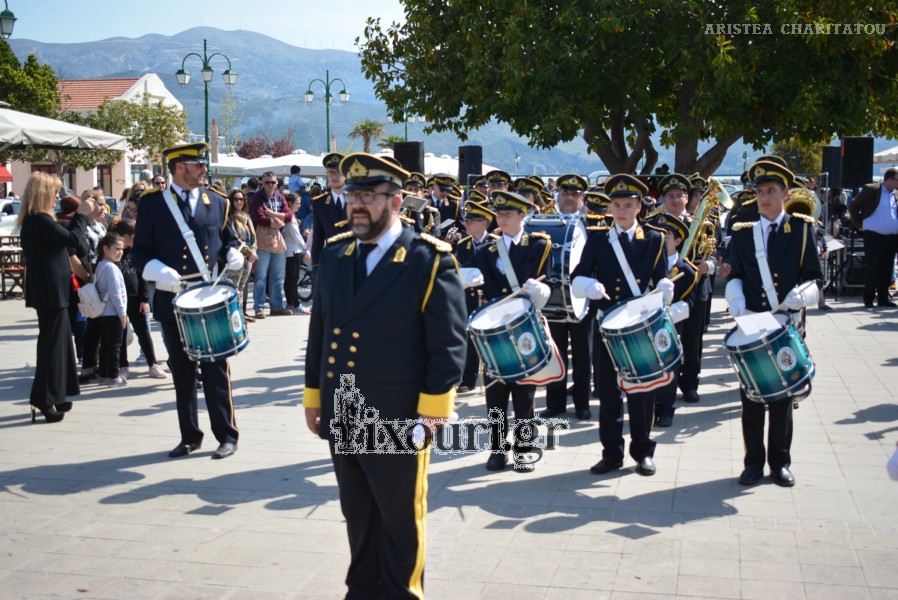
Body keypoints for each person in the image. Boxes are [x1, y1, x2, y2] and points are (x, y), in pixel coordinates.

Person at [303, 153, 466, 598]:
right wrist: (314, 397)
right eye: (353, 194)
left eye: (368, 196)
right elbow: (320, 330)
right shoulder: (336, 254)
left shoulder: (426, 259)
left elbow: (448, 347)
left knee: (398, 517)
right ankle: (362, 588)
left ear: (396, 201)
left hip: (398, 417)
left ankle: (401, 591)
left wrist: (431, 415)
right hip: (344, 410)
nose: (357, 204)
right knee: (357, 511)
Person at [132, 142, 244, 460]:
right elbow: (140, 252)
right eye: (198, 164)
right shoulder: (154, 205)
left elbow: (227, 241)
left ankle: (226, 434)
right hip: (172, 299)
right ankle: (190, 436)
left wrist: (233, 253)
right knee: (181, 370)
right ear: (179, 167)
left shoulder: (217, 202)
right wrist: (157, 270)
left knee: (215, 369)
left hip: (207, 298)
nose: (204, 169)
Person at [725, 160, 822, 487]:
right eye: (759, 192)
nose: (764, 198)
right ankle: (753, 463)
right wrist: (735, 298)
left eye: (771, 191)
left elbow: (814, 280)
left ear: (785, 194)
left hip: (785, 324)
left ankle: (779, 462)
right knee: (751, 397)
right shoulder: (742, 234)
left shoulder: (803, 229)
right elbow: (736, 275)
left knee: (782, 399)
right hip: (753, 324)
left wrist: (802, 295)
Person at [570, 174, 674, 477]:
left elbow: (660, 276)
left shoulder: (654, 238)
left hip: (640, 327)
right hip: (607, 327)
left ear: (639, 207)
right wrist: (588, 286)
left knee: (642, 392)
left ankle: (643, 452)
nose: (621, 211)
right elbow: (577, 276)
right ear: (609, 208)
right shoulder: (598, 237)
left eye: (628, 205)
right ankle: (611, 453)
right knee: (608, 392)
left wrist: (666, 286)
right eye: (616, 205)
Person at [470, 190, 553, 472]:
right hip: (495, 330)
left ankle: (524, 448)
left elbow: (549, 282)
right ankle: (496, 450)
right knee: (495, 393)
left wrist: (541, 290)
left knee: (525, 393)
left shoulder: (539, 245)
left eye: (508, 214)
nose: (501, 218)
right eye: (499, 214)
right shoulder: (485, 251)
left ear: (523, 215)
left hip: (524, 328)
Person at [18, 172, 96, 423]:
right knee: (52, 347)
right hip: (49, 292)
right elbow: (72, 238)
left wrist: (83, 219)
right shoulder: (38, 220)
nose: (56, 198)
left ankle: (58, 393)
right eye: (53, 193)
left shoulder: (40, 220)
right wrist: (82, 214)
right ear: (42, 194)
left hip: (55, 290)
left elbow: (74, 244)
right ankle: (42, 398)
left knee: (61, 345)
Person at [540, 173, 593, 421]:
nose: (570, 197)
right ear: (557, 196)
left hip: (583, 299)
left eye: (575, 194)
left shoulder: (593, 225)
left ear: (582, 199)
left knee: (583, 355)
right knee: (555, 353)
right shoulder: (544, 223)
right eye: (565, 193)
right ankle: (555, 404)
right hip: (553, 297)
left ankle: (582, 403)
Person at [112, 219, 167, 380]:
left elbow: (143, 277)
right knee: (121, 333)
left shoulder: (136, 252)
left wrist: (144, 299)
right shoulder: (114, 253)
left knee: (143, 331)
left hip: (136, 298)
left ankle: (153, 364)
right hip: (119, 299)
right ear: (127, 236)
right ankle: (123, 366)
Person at [453, 201, 497, 392]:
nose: (467, 223)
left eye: (472, 220)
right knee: (469, 337)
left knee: (492, 339)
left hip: (490, 297)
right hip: (469, 297)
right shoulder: (463, 245)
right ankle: (468, 379)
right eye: (466, 220)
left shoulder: (495, 242)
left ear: (484, 223)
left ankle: (495, 376)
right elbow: (459, 269)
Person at [848, 167, 898, 309]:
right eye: (896, 180)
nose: (897, 184)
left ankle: (883, 298)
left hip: (892, 237)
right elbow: (854, 206)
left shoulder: (895, 194)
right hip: (874, 236)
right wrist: (859, 224)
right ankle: (869, 298)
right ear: (889, 179)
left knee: (887, 269)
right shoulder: (872, 189)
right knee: (873, 267)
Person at [250, 170, 293, 318]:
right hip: (262, 241)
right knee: (260, 276)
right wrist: (279, 220)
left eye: (273, 182)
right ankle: (259, 307)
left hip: (278, 241)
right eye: (267, 182)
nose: (270, 185)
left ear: (277, 183)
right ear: (262, 183)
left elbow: (289, 216)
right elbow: (260, 218)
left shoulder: (280, 198)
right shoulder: (257, 198)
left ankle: (277, 306)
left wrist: (273, 215)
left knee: (277, 276)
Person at [94, 232, 129, 387]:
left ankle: (103, 375)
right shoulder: (111, 268)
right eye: (117, 249)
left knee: (106, 345)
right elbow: (116, 293)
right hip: (113, 312)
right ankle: (114, 376)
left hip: (104, 312)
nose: (120, 252)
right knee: (115, 345)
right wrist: (122, 314)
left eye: (122, 249)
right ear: (105, 249)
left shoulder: (101, 265)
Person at [311, 153, 350, 270]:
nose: (335, 176)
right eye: (331, 173)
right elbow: (318, 238)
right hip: (331, 263)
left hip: (353, 262)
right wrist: (316, 267)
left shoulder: (357, 200)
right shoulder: (320, 203)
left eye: (338, 172)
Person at [225, 189, 258, 322]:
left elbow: (254, 236)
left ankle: (241, 313)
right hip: (237, 256)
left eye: (242, 199)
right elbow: (234, 237)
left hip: (249, 257)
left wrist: (253, 250)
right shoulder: (230, 216)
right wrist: (249, 252)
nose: (239, 201)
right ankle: (233, 315)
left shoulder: (246, 216)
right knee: (233, 287)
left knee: (242, 287)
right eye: (236, 199)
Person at [283, 192, 311, 315]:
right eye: (297, 203)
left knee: (289, 279)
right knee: (293, 279)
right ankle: (296, 305)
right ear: (289, 203)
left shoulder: (291, 216)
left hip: (291, 250)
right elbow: (296, 236)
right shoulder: (290, 217)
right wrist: (305, 247)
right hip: (294, 250)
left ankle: (290, 304)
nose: (299, 205)